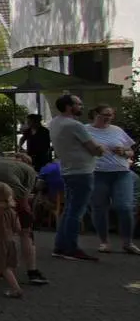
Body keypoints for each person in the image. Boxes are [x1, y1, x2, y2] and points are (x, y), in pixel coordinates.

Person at [49, 94, 105, 262]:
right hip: (82, 171)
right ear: (68, 106)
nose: (82, 106)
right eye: (78, 104)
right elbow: (95, 149)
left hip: (68, 170)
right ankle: (71, 248)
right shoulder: (75, 125)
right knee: (76, 211)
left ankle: (60, 246)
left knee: (69, 210)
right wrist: (101, 148)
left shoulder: (55, 122)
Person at [0, 153, 48, 285]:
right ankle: (32, 271)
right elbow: (26, 194)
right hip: (15, 196)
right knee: (26, 234)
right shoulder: (29, 170)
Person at [86, 104, 137, 254]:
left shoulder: (117, 130)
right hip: (97, 173)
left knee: (125, 207)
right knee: (99, 208)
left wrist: (124, 152)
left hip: (121, 172)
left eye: (111, 115)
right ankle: (104, 241)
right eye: (105, 114)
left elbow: (131, 151)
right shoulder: (85, 130)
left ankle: (128, 242)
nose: (108, 117)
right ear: (96, 113)